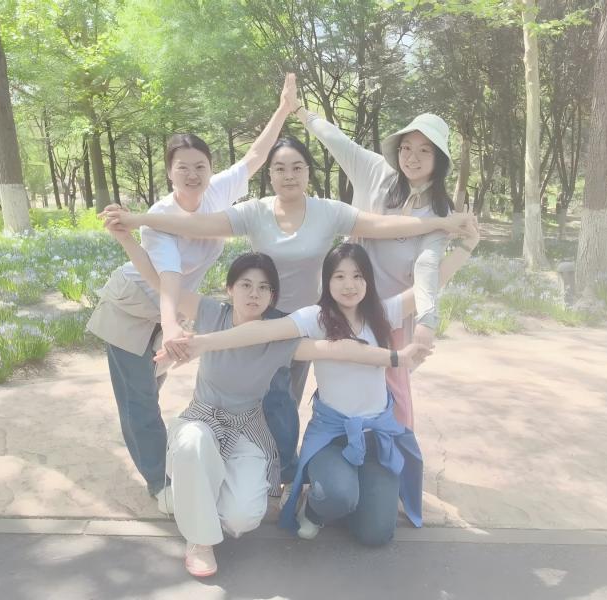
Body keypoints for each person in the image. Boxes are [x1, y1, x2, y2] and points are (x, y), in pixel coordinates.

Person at [100, 136, 475, 484]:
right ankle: (253, 470)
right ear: (270, 174)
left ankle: (281, 471)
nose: (289, 175)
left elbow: (383, 225)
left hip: (305, 323)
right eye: (279, 168)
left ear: (309, 171)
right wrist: (138, 220)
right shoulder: (254, 211)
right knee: (257, 397)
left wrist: (442, 223)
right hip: (260, 320)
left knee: (286, 402)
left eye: (297, 167)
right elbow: (195, 224)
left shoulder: (328, 211)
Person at [109, 229, 430, 576]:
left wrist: (397, 357)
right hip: (202, 418)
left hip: (247, 424)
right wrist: (126, 239)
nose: (254, 293)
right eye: (245, 284)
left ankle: (194, 495)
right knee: (192, 443)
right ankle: (199, 541)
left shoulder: (278, 334)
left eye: (264, 288)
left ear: (273, 296)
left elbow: (338, 349)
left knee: (243, 518)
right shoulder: (210, 312)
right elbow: (159, 282)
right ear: (230, 288)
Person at [159, 242, 473, 547]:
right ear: (327, 281)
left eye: (357, 276)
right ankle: (318, 506)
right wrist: (202, 343)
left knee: (376, 534)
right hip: (332, 434)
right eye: (339, 276)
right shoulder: (316, 317)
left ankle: (350, 501)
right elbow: (262, 331)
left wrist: (466, 247)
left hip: (376, 435)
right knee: (338, 496)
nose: (349, 285)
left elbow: (429, 284)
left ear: (368, 280)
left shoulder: (383, 313)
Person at [85, 74, 296, 506]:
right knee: (140, 400)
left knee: (153, 391)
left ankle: (171, 466)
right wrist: (172, 325)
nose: (193, 174)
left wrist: (283, 109)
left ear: (210, 169)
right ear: (169, 172)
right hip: (132, 308)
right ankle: (160, 485)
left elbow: (256, 156)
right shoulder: (160, 218)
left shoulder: (218, 192)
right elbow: (167, 279)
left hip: (171, 312)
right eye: (182, 167)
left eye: (200, 165)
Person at [294, 103, 472, 429]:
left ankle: (398, 453)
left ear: (439, 159)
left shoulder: (440, 213)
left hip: (391, 313)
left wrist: (428, 319)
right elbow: (336, 140)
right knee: (342, 376)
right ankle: (342, 444)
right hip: (347, 301)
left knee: (393, 386)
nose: (412, 158)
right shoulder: (376, 172)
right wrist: (301, 111)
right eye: (406, 148)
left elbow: (427, 265)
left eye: (424, 150)